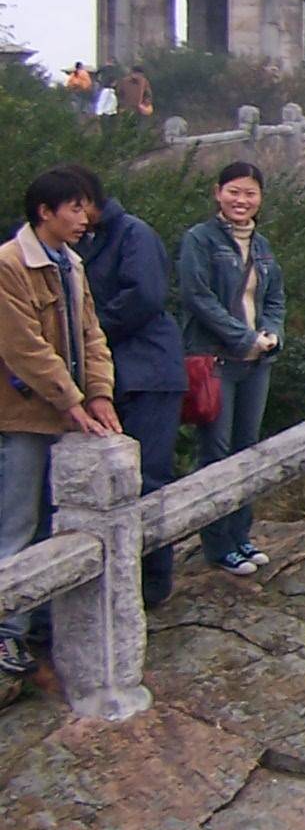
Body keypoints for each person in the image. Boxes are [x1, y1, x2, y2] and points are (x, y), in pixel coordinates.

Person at [1, 168, 121, 679]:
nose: (84, 217)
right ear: (44, 212)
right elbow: (23, 345)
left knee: (61, 523)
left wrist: (99, 394)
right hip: (27, 414)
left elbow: (92, 335)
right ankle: (8, 633)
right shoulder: (10, 264)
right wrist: (72, 400)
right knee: (17, 525)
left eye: (86, 206)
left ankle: (46, 627)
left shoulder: (70, 263)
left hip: (67, 413)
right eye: (73, 207)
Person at [62, 166, 185, 607]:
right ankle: (118, 579)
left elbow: (144, 298)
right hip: (109, 375)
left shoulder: (132, 235)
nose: (74, 216)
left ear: (91, 200)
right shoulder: (80, 244)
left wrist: (84, 334)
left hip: (148, 372)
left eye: (77, 205)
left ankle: (151, 583)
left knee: (148, 477)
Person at [178, 161, 285, 577]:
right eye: (234, 191)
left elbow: (274, 297)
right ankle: (218, 544)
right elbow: (197, 298)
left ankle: (241, 535)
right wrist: (243, 338)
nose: (242, 200)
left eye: (251, 193)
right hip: (216, 361)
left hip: (256, 363)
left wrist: (271, 333)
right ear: (217, 192)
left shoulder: (262, 245)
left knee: (247, 448)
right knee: (216, 453)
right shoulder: (199, 240)